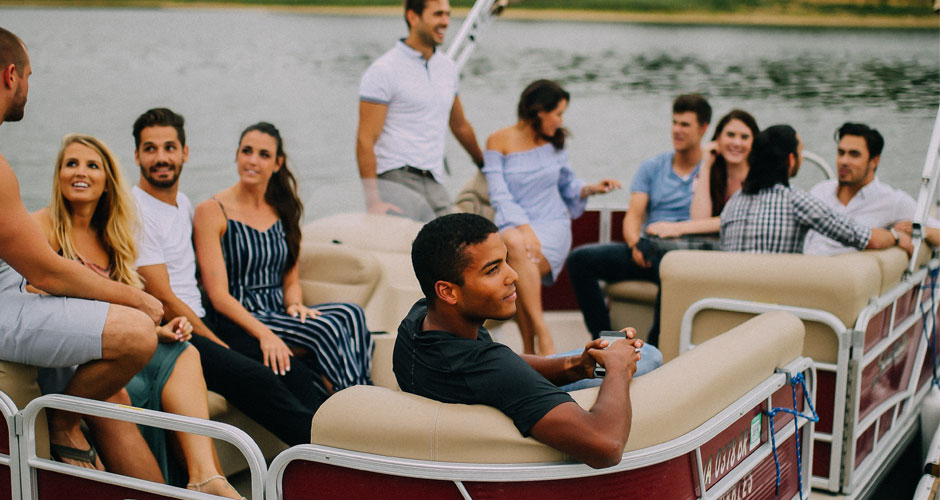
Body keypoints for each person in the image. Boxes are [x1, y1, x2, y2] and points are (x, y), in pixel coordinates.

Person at [31, 134, 243, 498]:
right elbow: (33, 299)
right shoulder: (44, 227)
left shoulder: (112, 236)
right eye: (71, 164)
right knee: (114, 393)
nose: (80, 172)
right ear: (59, 175)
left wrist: (159, 330)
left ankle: (205, 476)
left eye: (92, 165)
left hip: (125, 350)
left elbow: (127, 313)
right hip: (80, 363)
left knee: (186, 352)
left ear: (106, 180)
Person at [0, 26, 163, 471]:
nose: (28, 89)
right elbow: (47, 273)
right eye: (29, 76)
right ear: (11, 75)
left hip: (12, 293)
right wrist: (137, 298)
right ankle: (63, 421)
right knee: (136, 334)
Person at [394, 213, 655, 469]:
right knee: (650, 356)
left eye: (506, 261)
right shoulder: (487, 367)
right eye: (493, 270)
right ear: (448, 291)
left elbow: (497, 364)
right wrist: (618, 367)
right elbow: (607, 446)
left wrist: (576, 365)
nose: (513, 275)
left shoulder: (414, 325)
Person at [131, 108, 323, 447]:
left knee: (291, 369)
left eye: (169, 148)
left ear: (185, 153)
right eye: (150, 149)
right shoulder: (137, 211)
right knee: (259, 377)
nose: (161, 158)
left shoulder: (184, 204)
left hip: (204, 317)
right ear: (137, 156)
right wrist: (221, 346)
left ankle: (345, 438)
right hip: (175, 329)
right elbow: (166, 300)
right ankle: (324, 455)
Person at [194, 122, 373, 395]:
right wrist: (265, 334)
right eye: (247, 151)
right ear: (237, 155)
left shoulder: (282, 209)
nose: (253, 160)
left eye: (263, 155)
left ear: (277, 164)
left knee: (352, 314)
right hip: (244, 316)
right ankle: (351, 402)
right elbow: (218, 296)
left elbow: (290, 279)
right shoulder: (212, 211)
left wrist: (296, 305)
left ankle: (360, 392)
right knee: (326, 329)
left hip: (279, 311)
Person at [483, 80, 620, 355]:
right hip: (515, 222)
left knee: (513, 250)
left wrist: (591, 188)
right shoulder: (497, 141)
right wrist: (526, 228)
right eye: (557, 113)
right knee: (513, 241)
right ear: (538, 111)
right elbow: (498, 194)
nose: (560, 121)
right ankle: (536, 343)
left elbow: (568, 186)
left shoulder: (555, 144)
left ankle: (537, 342)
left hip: (552, 223)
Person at [566, 93, 712, 344]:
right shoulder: (652, 167)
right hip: (648, 248)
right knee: (580, 261)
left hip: (685, 255)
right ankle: (604, 340)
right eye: (674, 122)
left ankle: (654, 349)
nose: (677, 130)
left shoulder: (712, 171)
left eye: (685, 125)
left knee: (671, 272)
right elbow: (633, 216)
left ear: (703, 129)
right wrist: (635, 244)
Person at [356, 0, 485, 222]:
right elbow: (365, 140)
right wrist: (373, 201)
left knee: (453, 244)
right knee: (410, 247)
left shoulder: (447, 68)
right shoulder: (383, 70)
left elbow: (460, 125)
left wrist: (485, 165)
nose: (445, 21)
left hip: (434, 179)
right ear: (413, 18)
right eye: (437, 15)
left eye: (447, 14)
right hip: (396, 177)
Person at [719, 124, 913, 255]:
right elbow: (866, 239)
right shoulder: (796, 200)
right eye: (800, 152)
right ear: (791, 159)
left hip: (734, 302)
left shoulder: (734, 202)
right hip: (779, 305)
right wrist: (895, 236)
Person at [803, 122, 936, 255]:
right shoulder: (820, 191)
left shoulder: (893, 201)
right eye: (841, 153)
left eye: (854, 154)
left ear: (874, 161)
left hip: (847, 272)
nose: (843, 161)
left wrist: (922, 231)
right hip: (804, 268)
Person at [645, 109, 759, 239]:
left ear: (754, 142)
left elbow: (738, 219)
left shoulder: (760, 177)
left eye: (744, 137)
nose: (736, 143)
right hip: (711, 248)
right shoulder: (710, 171)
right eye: (730, 135)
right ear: (718, 138)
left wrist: (678, 227)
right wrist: (705, 165)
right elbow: (699, 219)